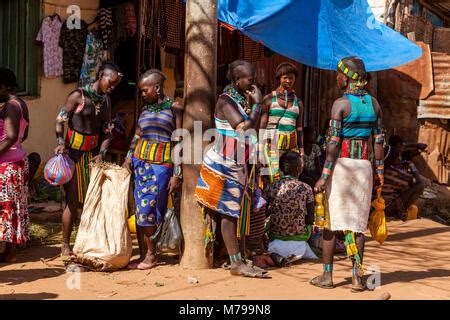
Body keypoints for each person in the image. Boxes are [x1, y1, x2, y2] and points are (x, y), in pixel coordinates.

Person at [311, 57, 384, 292]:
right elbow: (379, 142)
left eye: (338, 74)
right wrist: (379, 172)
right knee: (357, 225)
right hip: (364, 168)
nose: (336, 78)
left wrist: (323, 175)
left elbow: (332, 145)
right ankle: (356, 278)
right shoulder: (374, 105)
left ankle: (327, 276)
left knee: (331, 223)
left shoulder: (340, 104)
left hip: (342, 166)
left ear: (347, 77)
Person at [195, 60, 268, 278]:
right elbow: (243, 128)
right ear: (237, 80)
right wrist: (258, 105)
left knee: (232, 212)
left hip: (236, 162)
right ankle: (236, 263)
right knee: (228, 212)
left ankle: (236, 258)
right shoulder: (226, 101)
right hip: (224, 163)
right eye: (250, 79)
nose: (253, 83)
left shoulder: (238, 99)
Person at [54, 62, 123, 257]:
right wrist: (60, 142)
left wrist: (102, 152)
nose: (112, 87)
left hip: (92, 157)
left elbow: (107, 132)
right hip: (73, 154)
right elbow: (60, 120)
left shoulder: (106, 101)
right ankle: (65, 245)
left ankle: (85, 243)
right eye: (110, 82)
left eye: (115, 85)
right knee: (73, 201)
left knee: (90, 201)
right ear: (101, 75)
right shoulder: (78, 96)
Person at [123, 69, 183, 270]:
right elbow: (137, 136)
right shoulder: (145, 110)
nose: (142, 94)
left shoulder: (174, 109)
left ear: (157, 88)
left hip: (161, 167)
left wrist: (177, 174)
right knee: (141, 210)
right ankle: (144, 255)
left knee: (150, 210)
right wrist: (128, 158)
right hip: (141, 165)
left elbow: (179, 142)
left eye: (144, 90)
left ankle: (151, 254)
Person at [264, 151, 317, 267]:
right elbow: (311, 218)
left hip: (275, 236)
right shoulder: (306, 188)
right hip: (299, 237)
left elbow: (264, 213)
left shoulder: (272, 186)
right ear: (298, 168)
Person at [0, 68, 30, 263]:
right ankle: (10, 252)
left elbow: (10, 137)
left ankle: (9, 253)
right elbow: (23, 134)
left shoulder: (10, 107)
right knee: (13, 207)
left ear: (2, 87)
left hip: (7, 165)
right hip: (17, 161)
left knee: (7, 208)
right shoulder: (21, 104)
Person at [259, 62, 304, 183]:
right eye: (285, 77)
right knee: (273, 178)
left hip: (291, 146)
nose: (288, 80)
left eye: (291, 78)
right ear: (279, 79)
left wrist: (302, 150)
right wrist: (260, 148)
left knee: (291, 179)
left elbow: (299, 128)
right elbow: (262, 125)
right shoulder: (269, 99)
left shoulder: (298, 102)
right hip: (272, 145)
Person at [382, 135, 425, 219]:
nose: (399, 158)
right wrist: (412, 166)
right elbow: (418, 183)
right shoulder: (394, 172)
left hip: (377, 206)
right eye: (397, 156)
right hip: (385, 209)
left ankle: (400, 211)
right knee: (419, 187)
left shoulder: (385, 168)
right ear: (392, 159)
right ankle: (401, 212)